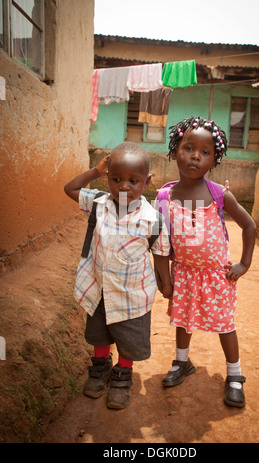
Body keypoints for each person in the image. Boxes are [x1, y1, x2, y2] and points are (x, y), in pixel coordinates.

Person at [154, 116, 256, 408]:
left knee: (225, 324)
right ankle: (181, 362)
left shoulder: (219, 195)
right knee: (183, 320)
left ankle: (235, 376)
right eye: (188, 147)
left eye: (205, 152)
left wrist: (243, 264)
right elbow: (159, 244)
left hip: (216, 275)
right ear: (175, 150)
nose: (195, 155)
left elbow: (249, 226)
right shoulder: (164, 196)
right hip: (183, 273)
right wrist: (165, 279)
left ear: (214, 159)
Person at [64, 142, 171, 409]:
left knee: (128, 338)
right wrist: (95, 171)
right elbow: (70, 189)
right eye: (115, 179)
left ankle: (123, 376)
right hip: (99, 288)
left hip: (132, 294)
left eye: (133, 181)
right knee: (99, 335)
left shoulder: (152, 219)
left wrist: (166, 285)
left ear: (147, 182)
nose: (124, 186)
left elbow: (160, 253)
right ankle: (100, 369)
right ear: (108, 177)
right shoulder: (99, 203)